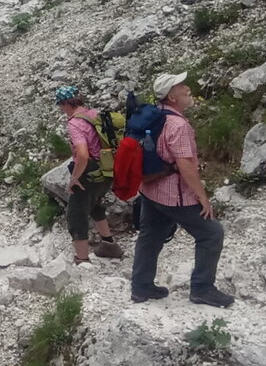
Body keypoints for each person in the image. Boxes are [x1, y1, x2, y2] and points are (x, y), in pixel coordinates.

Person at [130, 72, 234, 307]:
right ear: (172, 97)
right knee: (211, 233)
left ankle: (141, 287)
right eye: (181, 86)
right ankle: (202, 288)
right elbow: (186, 166)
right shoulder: (178, 125)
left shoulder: (153, 116)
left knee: (150, 236)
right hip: (173, 195)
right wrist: (202, 197)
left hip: (150, 190)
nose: (188, 88)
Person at [54, 85, 123, 264]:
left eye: (60, 105)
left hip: (89, 171)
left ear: (65, 104)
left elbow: (83, 154)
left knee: (76, 213)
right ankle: (109, 245)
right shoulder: (94, 114)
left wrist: (74, 178)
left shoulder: (75, 123)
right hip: (107, 168)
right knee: (95, 204)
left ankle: (82, 259)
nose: (61, 109)